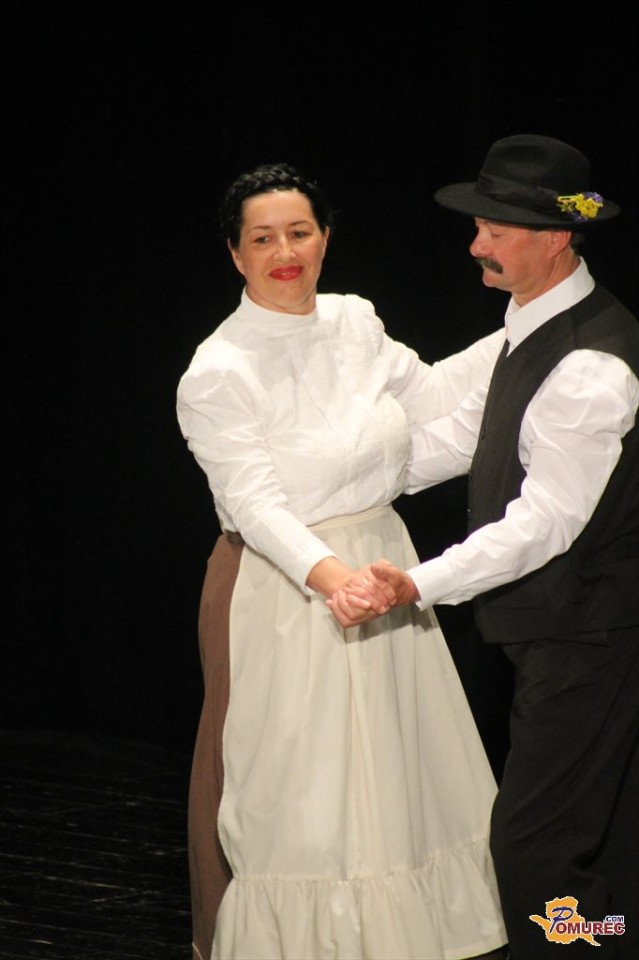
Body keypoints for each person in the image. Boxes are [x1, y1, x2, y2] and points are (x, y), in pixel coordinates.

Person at [176, 161, 508, 960]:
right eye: (263, 239)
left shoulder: (354, 321)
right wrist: (337, 583)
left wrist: (528, 330)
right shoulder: (218, 370)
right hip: (286, 582)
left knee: (396, 764)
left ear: (324, 238)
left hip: (381, 559)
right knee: (307, 783)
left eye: (299, 232)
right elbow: (256, 506)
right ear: (235, 254)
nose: (284, 252)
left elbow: (430, 396)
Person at [330, 135, 639, 959]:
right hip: (567, 633)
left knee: (533, 852)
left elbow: (546, 521)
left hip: (591, 635)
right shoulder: (528, 330)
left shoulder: (590, 367)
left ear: (556, 237)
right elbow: (464, 433)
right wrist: (333, 493)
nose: (476, 245)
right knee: (605, 844)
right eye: (478, 227)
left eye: (495, 230)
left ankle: (580, 947)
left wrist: (416, 583)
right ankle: (608, 942)